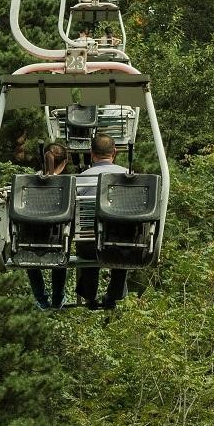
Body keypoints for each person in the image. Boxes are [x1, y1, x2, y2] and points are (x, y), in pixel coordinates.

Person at [76, 133, 130, 310]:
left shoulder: (81, 178)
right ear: (114, 152)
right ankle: (114, 294)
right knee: (125, 245)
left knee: (88, 242)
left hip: (89, 244)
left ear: (92, 154)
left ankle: (89, 295)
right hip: (121, 244)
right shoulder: (129, 176)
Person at [26, 143, 70, 309]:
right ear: (64, 162)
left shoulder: (26, 183)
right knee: (62, 246)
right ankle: (58, 297)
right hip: (56, 238)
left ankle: (41, 298)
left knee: (28, 250)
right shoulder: (66, 185)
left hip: (29, 238)